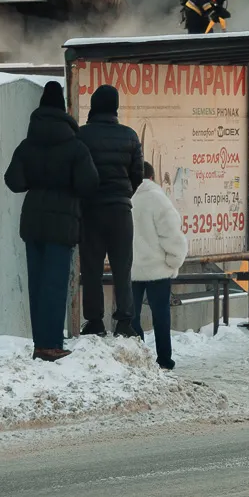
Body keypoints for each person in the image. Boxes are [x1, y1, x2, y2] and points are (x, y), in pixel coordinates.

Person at [4, 82, 100, 362]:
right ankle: (51, 344)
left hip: (32, 221)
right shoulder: (75, 146)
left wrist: (37, 179)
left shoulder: (27, 144)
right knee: (56, 284)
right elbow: (89, 183)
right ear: (63, 109)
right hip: (63, 222)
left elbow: (13, 181)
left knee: (36, 283)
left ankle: (39, 344)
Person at [77, 84, 145, 337]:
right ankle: (125, 320)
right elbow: (137, 174)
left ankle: (95, 321)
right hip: (120, 210)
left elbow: (78, 171)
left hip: (91, 210)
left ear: (94, 106)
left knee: (92, 267)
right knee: (122, 266)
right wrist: (123, 194)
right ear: (115, 107)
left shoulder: (81, 135)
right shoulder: (129, 135)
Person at [130, 162, 188, 370]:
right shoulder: (158, 199)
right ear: (152, 178)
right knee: (161, 315)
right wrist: (174, 261)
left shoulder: (126, 197)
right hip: (158, 269)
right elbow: (171, 234)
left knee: (131, 315)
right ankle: (164, 360)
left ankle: (139, 358)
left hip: (131, 269)